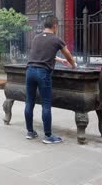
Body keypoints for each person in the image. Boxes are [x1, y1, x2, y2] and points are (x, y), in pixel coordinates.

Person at [25, 16, 76, 144]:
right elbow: (68, 54)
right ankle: (48, 136)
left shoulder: (36, 38)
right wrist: (73, 64)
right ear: (55, 26)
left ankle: (30, 132)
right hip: (42, 73)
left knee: (29, 102)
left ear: (44, 26)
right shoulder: (56, 39)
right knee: (46, 104)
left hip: (30, 71)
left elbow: (41, 54)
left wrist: (59, 60)